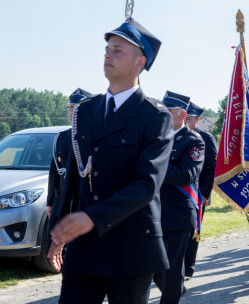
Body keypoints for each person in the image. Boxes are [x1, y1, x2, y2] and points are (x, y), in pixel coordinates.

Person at [48, 18, 174, 304]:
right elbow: (74, 177)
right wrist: (57, 228)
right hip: (84, 249)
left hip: (131, 248)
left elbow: (147, 185)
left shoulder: (154, 116)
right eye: (107, 48)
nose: (108, 54)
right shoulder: (86, 110)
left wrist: (89, 218)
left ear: (140, 62)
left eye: (118, 50)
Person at [152, 91, 205, 303]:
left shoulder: (193, 141)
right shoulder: (156, 137)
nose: (163, 115)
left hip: (178, 214)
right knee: (153, 266)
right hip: (154, 212)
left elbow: (186, 175)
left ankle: (172, 292)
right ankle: (175, 289)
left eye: (168, 111)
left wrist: (155, 166)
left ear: (182, 114)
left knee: (172, 269)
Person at [47, 89, 93, 233]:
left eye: (76, 108)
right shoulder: (61, 138)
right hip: (61, 204)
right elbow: (54, 172)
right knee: (52, 249)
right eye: (70, 108)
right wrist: (50, 202)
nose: (72, 112)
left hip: (83, 205)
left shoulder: (95, 139)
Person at [183, 101, 218, 280]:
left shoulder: (205, 138)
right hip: (178, 192)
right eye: (184, 118)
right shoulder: (177, 136)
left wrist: (205, 193)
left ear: (197, 120)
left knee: (193, 230)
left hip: (197, 194)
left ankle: (188, 268)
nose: (185, 122)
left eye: (189, 118)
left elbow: (213, 167)